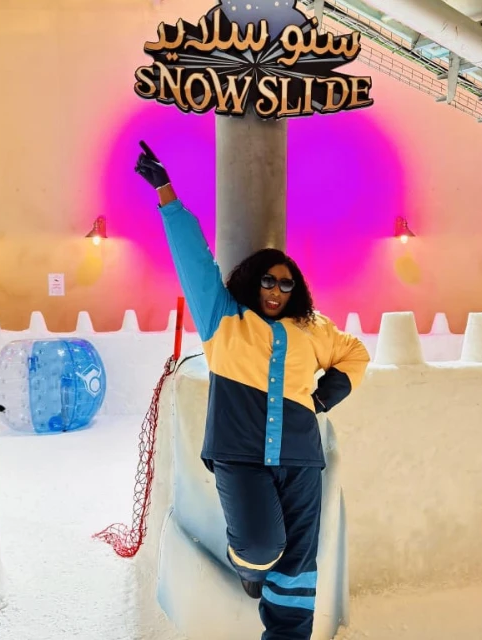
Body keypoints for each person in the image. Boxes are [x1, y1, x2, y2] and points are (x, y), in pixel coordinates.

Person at [135, 140, 370, 640]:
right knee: (261, 546)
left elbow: (355, 355)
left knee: (301, 563)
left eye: (287, 284)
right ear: (251, 281)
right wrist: (166, 194)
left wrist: (324, 397)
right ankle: (249, 575)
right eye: (268, 280)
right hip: (239, 455)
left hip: (302, 458)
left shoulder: (314, 328)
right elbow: (195, 263)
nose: (277, 290)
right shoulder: (225, 322)